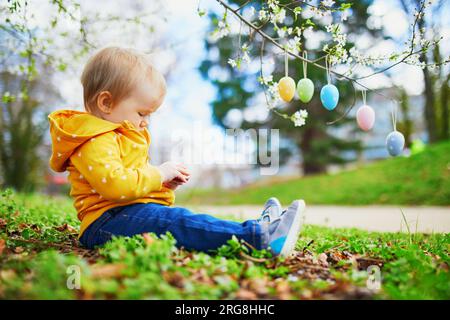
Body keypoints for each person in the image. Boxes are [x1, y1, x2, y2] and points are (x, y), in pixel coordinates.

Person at [48, 46, 305, 257]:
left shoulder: (115, 137)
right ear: (106, 102)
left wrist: (161, 186)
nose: (145, 122)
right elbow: (116, 186)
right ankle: (262, 238)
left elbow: (130, 184)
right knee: (177, 222)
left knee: (178, 220)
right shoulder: (94, 139)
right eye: (142, 113)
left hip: (121, 215)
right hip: (105, 223)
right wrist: (158, 173)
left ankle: (260, 229)